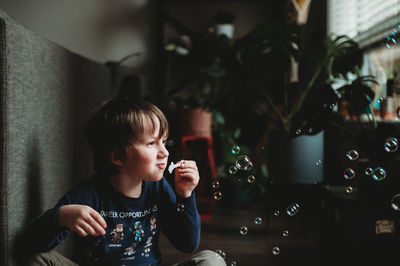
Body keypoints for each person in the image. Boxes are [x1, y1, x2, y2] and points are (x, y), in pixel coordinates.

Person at [18, 97, 226, 266]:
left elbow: (187, 243)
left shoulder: (158, 188)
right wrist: (60, 218)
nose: (164, 152)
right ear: (117, 156)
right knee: (35, 257)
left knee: (211, 260)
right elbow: (29, 242)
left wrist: (185, 195)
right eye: (152, 143)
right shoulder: (88, 195)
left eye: (164, 141)